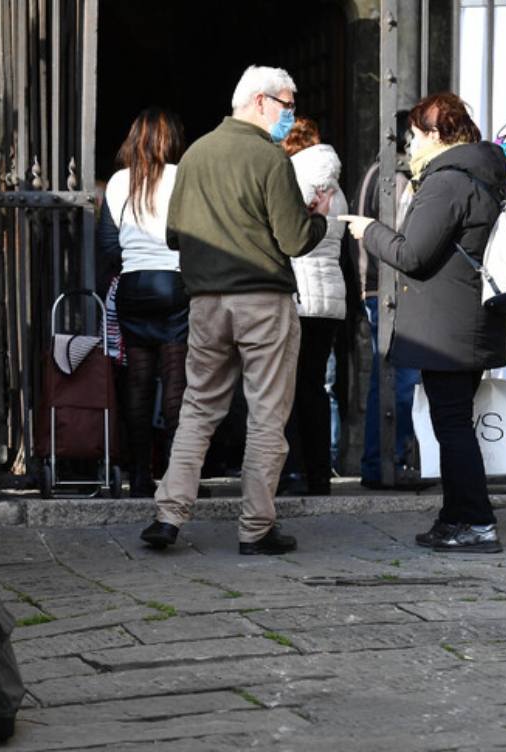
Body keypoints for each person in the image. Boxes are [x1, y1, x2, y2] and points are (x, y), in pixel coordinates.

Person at [140, 65, 332, 555]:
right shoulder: (269, 158)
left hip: (206, 301)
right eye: (288, 105)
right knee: (267, 414)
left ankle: (168, 516)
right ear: (262, 102)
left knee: (198, 408)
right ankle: (255, 527)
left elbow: (174, 235)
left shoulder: (197, 153)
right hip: (262, 301)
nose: (291, 115)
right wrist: (319, 220)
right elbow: (293, 239)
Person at [340, 92, 506, 553]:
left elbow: (412, 255)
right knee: (452, 422)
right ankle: (455, 516)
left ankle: (476, 522)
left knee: (452, 424)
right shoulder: (479, 176)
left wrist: (369, 230)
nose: (409, 145)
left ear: (436, 135)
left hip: (450, 326)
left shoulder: (446, 183)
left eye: (415, 135)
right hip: (464, 321)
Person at [97, 108, 189, 497]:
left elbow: (106, 244)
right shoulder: (183, 176)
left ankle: (138, 475)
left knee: (136, 380)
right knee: (174, 380)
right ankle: (175, 475)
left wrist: (133, 260)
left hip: (133, 287)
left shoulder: (119, 181)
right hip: (175, 284)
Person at [349, 110, 422, 488]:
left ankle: (378, 463)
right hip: (392, 288)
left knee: (385, 378)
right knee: (401, 380)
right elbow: (402, 242)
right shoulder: (396, 179)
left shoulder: (370, 174)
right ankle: (386, 463)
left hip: (372, 285)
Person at [278, 117, 348, 496]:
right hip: (329, 300)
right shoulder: (335, 187)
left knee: (288, 388)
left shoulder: (293, 178)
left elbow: (288, 235)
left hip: (298, 297)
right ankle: (319, 474)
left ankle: (292, 472)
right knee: (315, 388)